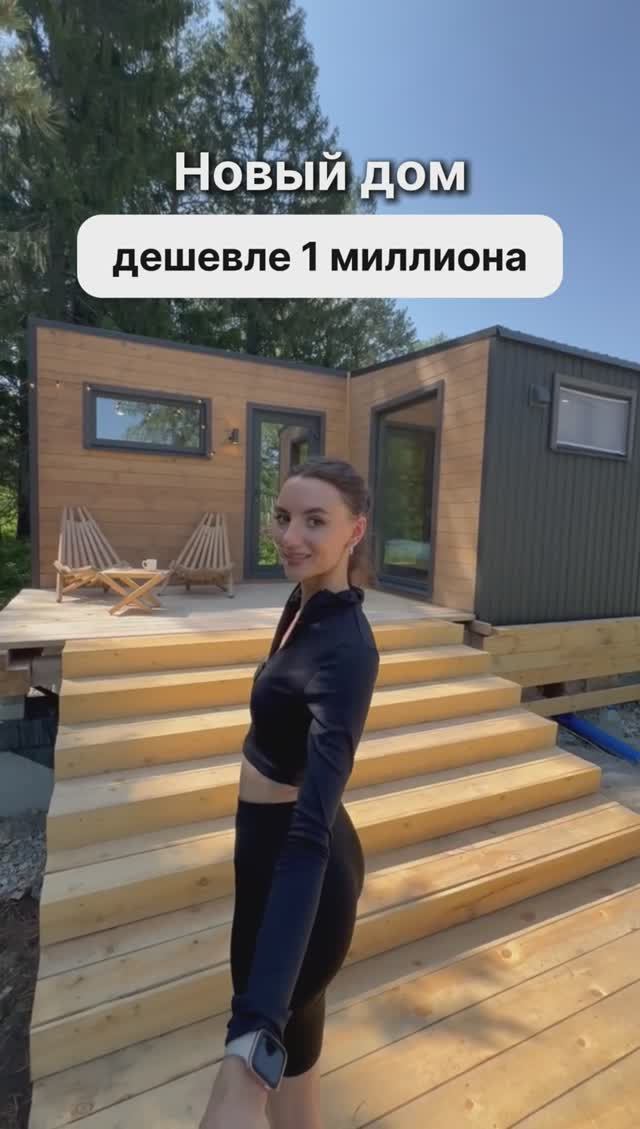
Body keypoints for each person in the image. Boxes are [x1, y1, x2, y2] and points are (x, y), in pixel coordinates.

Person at [199, 457, 380, 1129]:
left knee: (268, 1055)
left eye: (314, 521)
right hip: (266, 852)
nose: (290, 536)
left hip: (300, 873)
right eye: (283, 518)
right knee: (300, 1065)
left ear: (355, 530)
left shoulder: (348, 649)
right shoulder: (304, 603)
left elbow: (307, 835)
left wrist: (252, 1031)